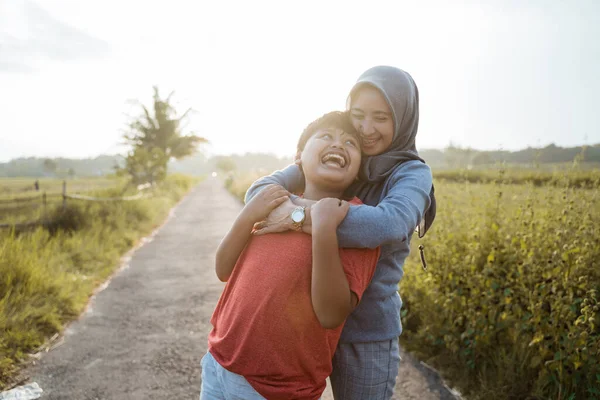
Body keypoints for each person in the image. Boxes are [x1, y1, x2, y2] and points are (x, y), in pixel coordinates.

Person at [245, 66, 437, 399]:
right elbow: (259, 193)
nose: (365, 129)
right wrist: (306, 215)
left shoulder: (411, 173)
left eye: (381, 117)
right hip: (306, 324)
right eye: (358, 115)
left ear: (403, 118)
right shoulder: (342, 151)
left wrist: (302, 218)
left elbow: (387, 224)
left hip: (364, 334)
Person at [201, 111, 381, 400]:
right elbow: (223, 269)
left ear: (358, 168)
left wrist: (324, 228)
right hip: (218, 363)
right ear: (298, 156)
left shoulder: (357, 223)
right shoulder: (272, 202)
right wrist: (248, 215)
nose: (338, 144)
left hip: (278, 390)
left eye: (350, 143)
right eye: (326, 136)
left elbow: (331, 314)